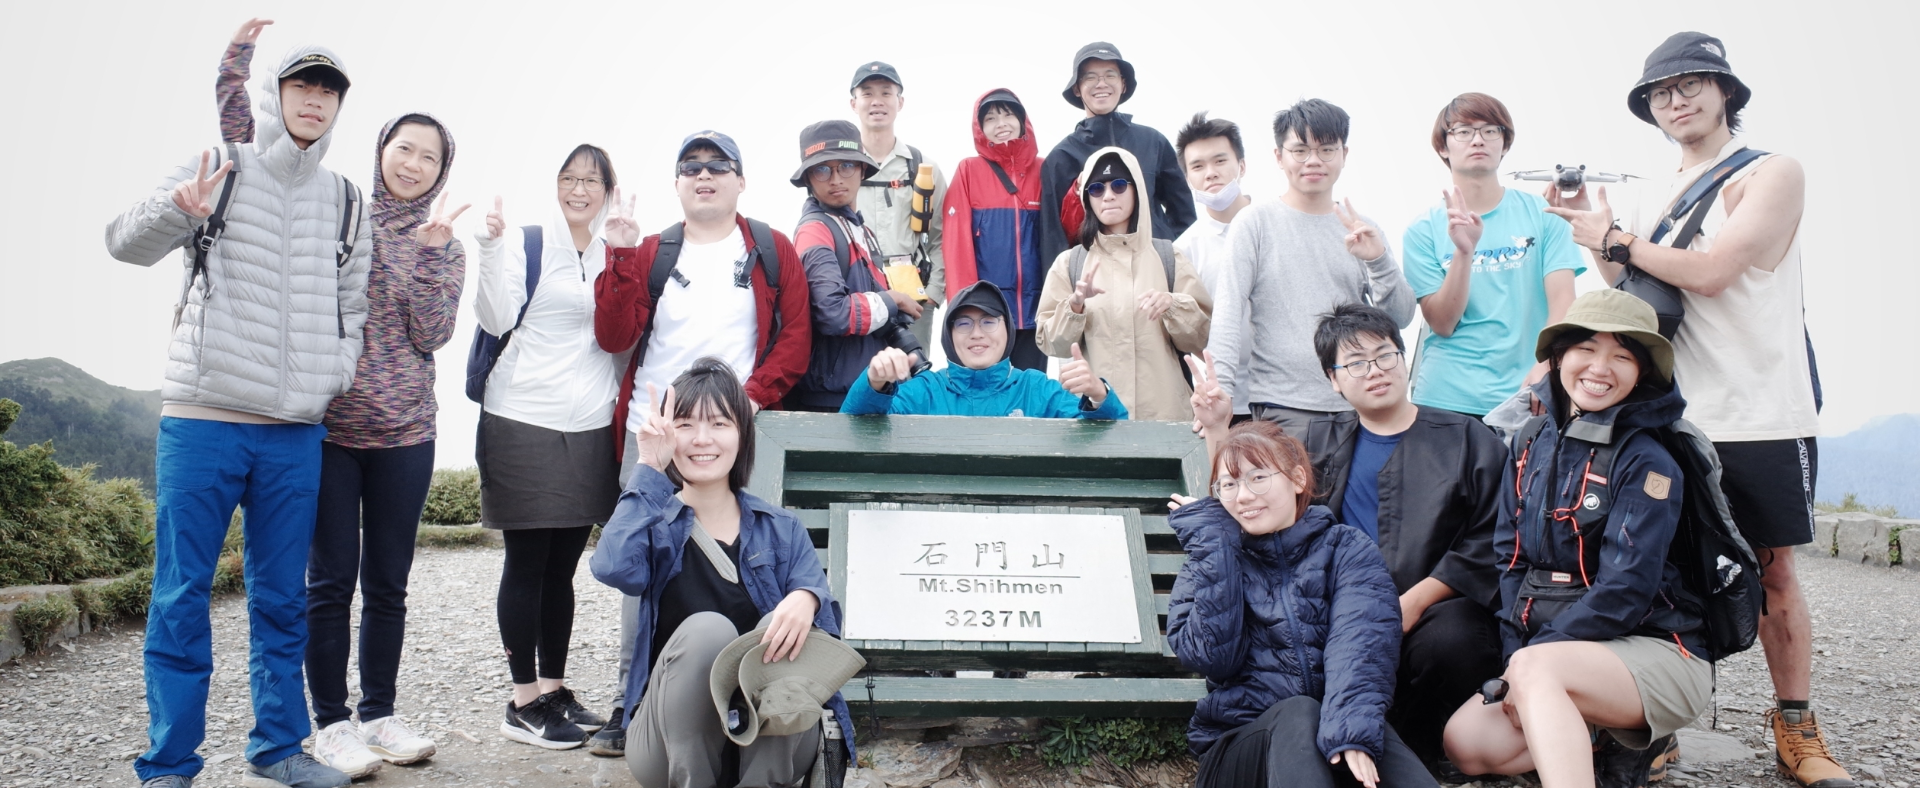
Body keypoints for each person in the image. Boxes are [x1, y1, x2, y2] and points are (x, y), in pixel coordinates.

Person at [1539, 33, 1848, 787]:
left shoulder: (1773, 172)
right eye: (1660, 92)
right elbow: (1635, 287)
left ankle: (1796, 724)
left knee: (1773, 572)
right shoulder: (1649, 190)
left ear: (1727, 91)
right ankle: (1655, 721)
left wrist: (1615, 237)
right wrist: (1594, 231)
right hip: (1674, 413)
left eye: (1691, 83)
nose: (1676, 99)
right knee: (1658, 569)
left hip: (1762, 408)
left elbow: (1710, 272)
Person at [105, 27, 370, 788]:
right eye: (302, 84)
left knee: (284, 600)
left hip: (294, 433)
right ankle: (169, 764)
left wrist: (334, 374)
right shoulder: (216, 167)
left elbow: (354, 308)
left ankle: (279, 749)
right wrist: (178, 213)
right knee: (182, 594)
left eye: (329, 89)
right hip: (203, 420)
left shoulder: (347, 201)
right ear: (272, 94)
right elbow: (123, 243)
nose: (316, 98)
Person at [213, 20, 456, 776]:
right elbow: (252, 155)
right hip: (328, 424)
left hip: (407, 431)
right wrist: (236, 70)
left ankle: (379, 713)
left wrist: (428, 260)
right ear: (380, 148)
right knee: (330, 582)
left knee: (389, 582)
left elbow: (433, 334)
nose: (413, 165)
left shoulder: (442, 238)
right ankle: (332, 723)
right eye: (404, 148)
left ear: (443, 170)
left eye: (430, 156)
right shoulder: (338, 203)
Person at [1191, 302, 1506, 775]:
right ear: (1333, 380)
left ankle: (1419, 747)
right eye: (1355, 364)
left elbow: (1492, 538)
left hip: (1427, 610)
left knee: (1454, 638)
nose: (1374, 372)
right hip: (1329, 615)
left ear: (1405, 359)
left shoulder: (1469, 438)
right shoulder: (1316, 442)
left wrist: (1414, 602)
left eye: (1384, 356)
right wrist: (1218, 427)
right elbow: (1248, 500)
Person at [587, 130, 814, 755]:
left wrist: (748, 400)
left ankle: (748, 688)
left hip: (737, 432)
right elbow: (613, 335)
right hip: (658, 432)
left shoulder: (771, 248)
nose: (705, 175)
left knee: (746, 556)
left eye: (719, 166)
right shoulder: (654, 250)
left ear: (741, 180)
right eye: (692, 167)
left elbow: (795, 336)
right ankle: (629, 705)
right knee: (645, 564)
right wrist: (618, 255)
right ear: (678, 183)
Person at [1444, 289, 1713, 788]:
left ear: (1642, 374)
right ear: (1559, 357)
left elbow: (1628, 588)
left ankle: (1614, 735)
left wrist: (1532, 661)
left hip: (1658, 649)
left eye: (1622, 356)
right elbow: (1510, 559)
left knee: (1538, 674)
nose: (1600, 367)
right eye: (1586, 349)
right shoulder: (1528, 442)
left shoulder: (1648, 461)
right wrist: (1514, 659)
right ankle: (1597, 738)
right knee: (1466, 743)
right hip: (1557, 655)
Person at [589, 358, 857, 788]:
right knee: (706, 631)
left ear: (742, 434)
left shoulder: (782, 529)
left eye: (718, 423)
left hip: (778, 746)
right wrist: (648, 469)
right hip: (669, 746)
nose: (701, 439)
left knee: (781, 627)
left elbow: (826, 652)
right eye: (685, 424)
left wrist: (807, 598)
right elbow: (611, 566)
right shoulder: (653, 527)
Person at [1165, 420, 1433, 788]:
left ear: (1297, 479)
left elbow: (1362, 643)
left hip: (1337, 724)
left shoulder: (1346, 548)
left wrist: (1351, 728)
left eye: (1257, 477)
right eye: (1228, 485)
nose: (1242, 496)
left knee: (1386, 755)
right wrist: (1215, 551)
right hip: (1239, 750)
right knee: (1299, 711)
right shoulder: (1211, 558)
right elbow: (1211, 658)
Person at [472, 144, 624, 749]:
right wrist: (487, 248)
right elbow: (493, 315)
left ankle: (555, 688)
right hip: (521, 418)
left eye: (591, 179)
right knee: (527, 563)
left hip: (588, 424)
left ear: (609, 188)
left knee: (563, 567)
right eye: (569, 178)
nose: (579, 189)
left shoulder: (617, 250)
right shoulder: (530, 245)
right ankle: (522, 700)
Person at [1206, 99, 1415, 439]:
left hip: (1359, 406)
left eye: (1327, 149)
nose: (1314, 161)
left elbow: (1401, 318)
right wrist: (1221, 393)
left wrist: (1377, 261)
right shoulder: (1255, 222)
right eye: (1300, 150)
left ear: (1344, 154)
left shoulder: (1360, 227)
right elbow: (1228, 314)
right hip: (1281, 406)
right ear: (1279, 157)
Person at [1402, 93, 1582, 420]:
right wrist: (1463, 251)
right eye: (1463, 131)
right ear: (1443, 146)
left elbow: (1564, 304)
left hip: (1528, 395)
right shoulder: (1422, 230)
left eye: (1490, 130)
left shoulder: (1544, 215)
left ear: (1505, 143)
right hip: (1445, 398)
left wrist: (1548, 365)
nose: (1478, 140)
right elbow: (1442, 323)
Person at [1036, 148, 1211, 422]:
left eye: (1118, 185)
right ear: (1087, 198)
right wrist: (1075, 305)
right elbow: (1050, 344)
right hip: (1097, 421)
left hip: (1166, 418)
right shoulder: (1069, 264)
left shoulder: (1169, 257)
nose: (1108, 196)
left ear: (1137, 190)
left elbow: (1201, 338)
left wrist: (1172, 305)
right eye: (1096, 189)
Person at [785, 120, 926, 413]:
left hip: (864, 389)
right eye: (823, 169)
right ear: (809, 179)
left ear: (862, 170)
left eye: (847, 166)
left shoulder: (861, 230)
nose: (836, 178)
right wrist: (892, 299)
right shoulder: (815, 230)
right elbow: (832, 313)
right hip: (829, 401)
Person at [841, 281, 1126, 419]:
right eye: (963, 323)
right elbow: (856, 427)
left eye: (989, 321)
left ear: (1008, 330)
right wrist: (874, 382)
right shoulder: (924, 391)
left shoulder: (1036, 388)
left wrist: (1098, 395)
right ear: (949, 335)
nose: (977, 333)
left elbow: (1108, 439)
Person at [1038, 42, 1195, 268]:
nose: (1101, 84)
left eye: (1110, 75)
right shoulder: (1061, 157)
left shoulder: (1154, 141)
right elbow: (1052, 236)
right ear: (1077, 88)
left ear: (1123, 84)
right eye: (1090, 77)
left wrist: (1171, 255)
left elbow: (1185, 215)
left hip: (1156, 271)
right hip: (1095, 281)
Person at [941, 89, 1048, 371]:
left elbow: (1064, 230)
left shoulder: (1045, 169)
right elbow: (955, 246)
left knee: (1030, 396)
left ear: (1022, 120)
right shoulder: (968, 170)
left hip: (1036, 311)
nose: (1000, 124)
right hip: (987, 318)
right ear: (980, 129)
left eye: (1008, 114)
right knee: (984, 398)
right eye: (990, 118)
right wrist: (965, 308)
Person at [849, 62, 948, 354]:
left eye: (886, 93)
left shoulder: (923, 168)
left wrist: (932, 294)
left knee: (911, 386)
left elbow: (941, 235)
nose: (877, 101)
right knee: (857, 385)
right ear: (853, 103)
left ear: (900, 102)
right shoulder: (841, 169)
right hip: (856, 298)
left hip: (912, 298)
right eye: (867, 93)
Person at [1172, 112, 1255, 419]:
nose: (1211, 173)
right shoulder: (1182, 251)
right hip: (1222, 402)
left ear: (1241, 165)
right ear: (1187, 178)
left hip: (1284, 397)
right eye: (1197, 166)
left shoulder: (1274, 225)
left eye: (1220, 161)